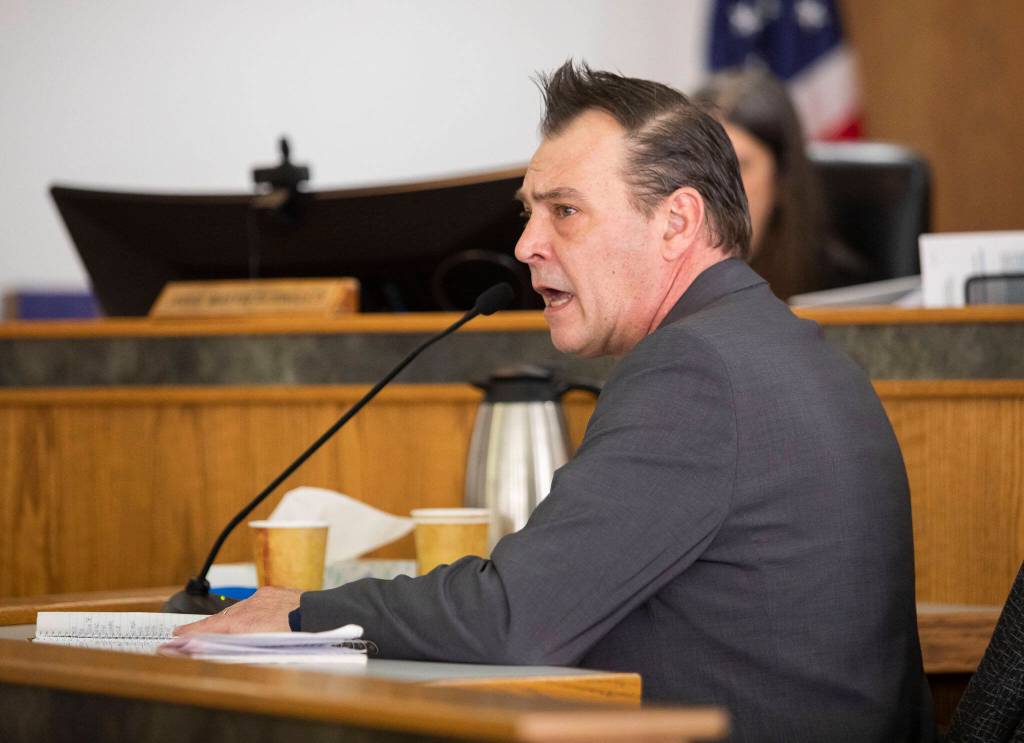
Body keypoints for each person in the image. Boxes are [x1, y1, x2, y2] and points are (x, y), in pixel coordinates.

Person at [177, 61, 935, 742]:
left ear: (677, 222)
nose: (526, 244)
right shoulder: (790, 349)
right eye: (528, 210)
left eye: (565, 211)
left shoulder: (697, 369)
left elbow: (515, 619)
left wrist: (301, 611)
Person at [694, 66, 868, 300]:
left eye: (739, 167)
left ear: (781, 177)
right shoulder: (663, 279)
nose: (717, 187)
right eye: (703, 166)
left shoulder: (840, 292)